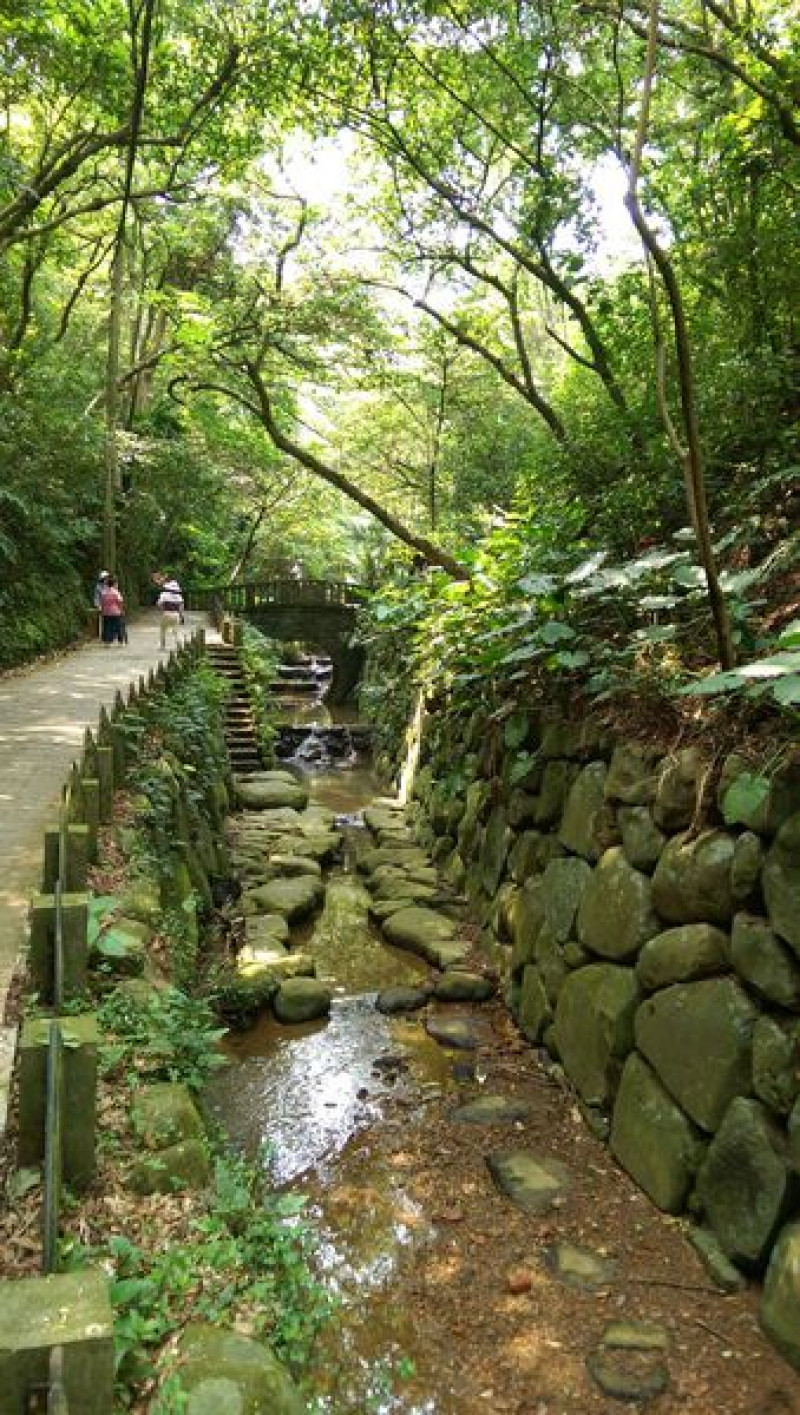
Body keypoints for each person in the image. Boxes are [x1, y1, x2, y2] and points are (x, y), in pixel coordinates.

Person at [157, 578, 184, 649]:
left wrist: (162, 611)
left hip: (166, 613)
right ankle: (179, 645)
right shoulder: (179, 596)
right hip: (176, 614)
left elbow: (159, 604)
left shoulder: (164, 594)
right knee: (176, 631)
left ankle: (162, 645)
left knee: (163, 629)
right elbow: (181, 606)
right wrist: (181, 615)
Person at [99, 575, 126, 645]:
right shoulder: (116, 592)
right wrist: (122, 610)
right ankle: (121, 641)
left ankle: (108, 641)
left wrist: (102, 610)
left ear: (107, 584)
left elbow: (102, 602)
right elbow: (120, 601)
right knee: (118, 626)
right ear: (113, 584)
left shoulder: (103, 592)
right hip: (115, 612)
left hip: (106, 612)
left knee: (108, 627)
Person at [93, 571, 110, 639]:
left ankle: (108, 635)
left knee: (109, 621)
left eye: (107, 577)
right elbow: (96, 597)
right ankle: (102, 635)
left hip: (109, 606)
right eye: (105, 578)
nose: (106, 579)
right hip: (102, 606)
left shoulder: (109, 585)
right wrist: (98, 605)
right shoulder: (98, 586)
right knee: (102, 621)